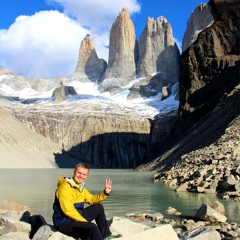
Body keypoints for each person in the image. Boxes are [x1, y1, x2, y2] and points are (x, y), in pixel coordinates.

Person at [52, 163, 113, 240]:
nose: (81, 176)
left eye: (84, 174)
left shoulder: (80, 187)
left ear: (86, 176)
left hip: (76, 218)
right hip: (64, 222)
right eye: (79, 173)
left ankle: (106, 236)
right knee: (92, 227)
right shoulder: (65, 188)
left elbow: (91, 199)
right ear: (74, 172)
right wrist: (84, 222)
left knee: (99, 208)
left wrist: (105, 193)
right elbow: (68, 210)